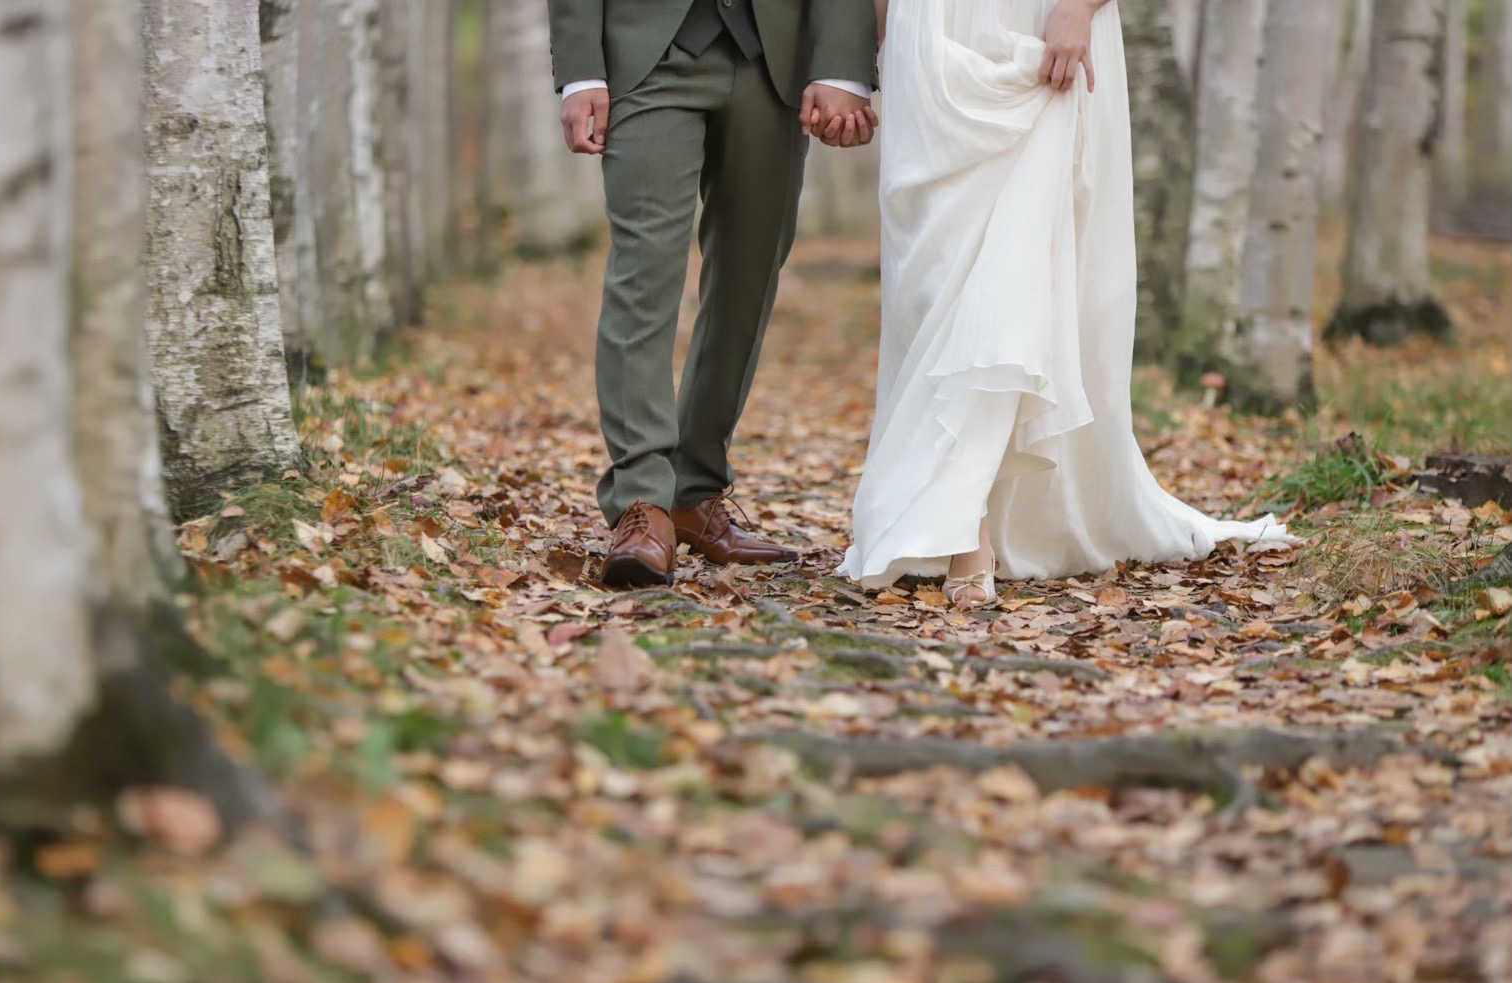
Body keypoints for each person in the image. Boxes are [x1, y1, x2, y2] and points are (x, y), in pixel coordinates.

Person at [839, 0, 1293, 606]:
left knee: (1017, 269)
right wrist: (869, 53)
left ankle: (964, 528)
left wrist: (1079, 7)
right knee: (933, 282)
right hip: (930, 36)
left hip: (1042, 22)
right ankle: (950, 508)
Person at [548, 0, 880, 588]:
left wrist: (843, 68)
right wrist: (581, 72)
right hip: (647, 58)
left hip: (773, 63)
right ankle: (643, 503)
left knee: (748, 282)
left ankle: (693, 491)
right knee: (643, 276)